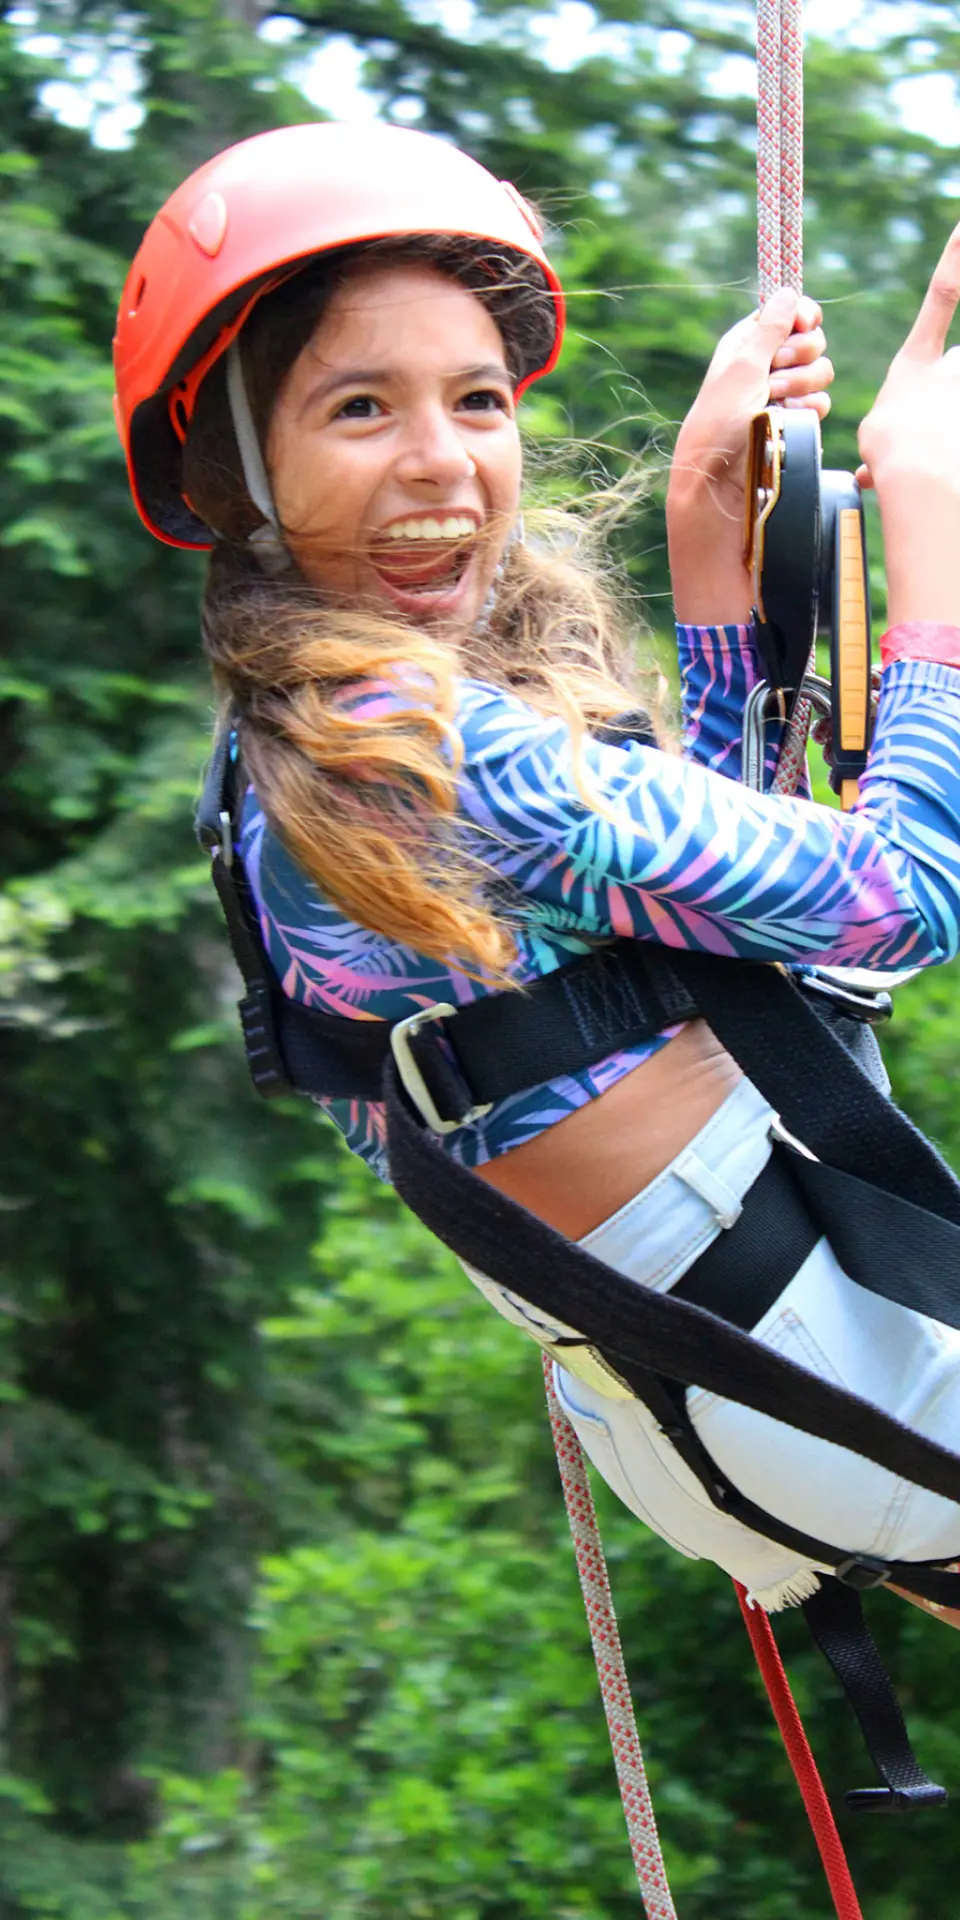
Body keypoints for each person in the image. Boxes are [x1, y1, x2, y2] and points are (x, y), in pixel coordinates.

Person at [114, 119, 960, 1622]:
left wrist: (711, 550)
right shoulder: (427, 744)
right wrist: (935, 541)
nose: (443, 460)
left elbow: (702, 931)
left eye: (479, 398)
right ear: (244, 471)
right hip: (821, 1342)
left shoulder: (297, 740)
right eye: (361, 406)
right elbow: (898, 902)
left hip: (747, 1383)